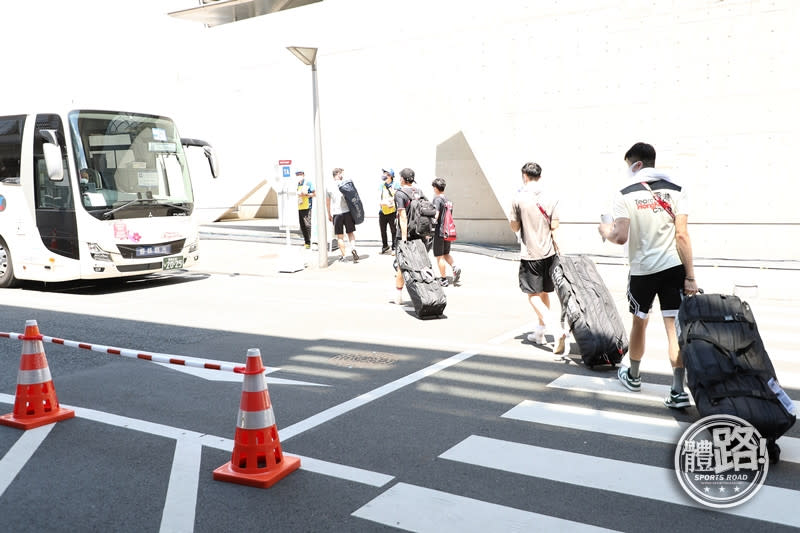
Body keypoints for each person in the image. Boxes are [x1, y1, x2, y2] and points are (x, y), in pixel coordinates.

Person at [598, 142, 698, 409]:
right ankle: (678, 390)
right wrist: (690, 277)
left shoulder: (624, 194)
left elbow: (619, 237)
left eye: (628, 166)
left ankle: (633, 375)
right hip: (673, 268)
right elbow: (682, 235)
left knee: (639, 322)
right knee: (673, 329)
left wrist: (604, 230)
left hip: (643, 271)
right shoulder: (677, 189)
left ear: (637, 164)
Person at [508, 162, 565, 350]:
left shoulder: (518, 197)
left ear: (524, 175)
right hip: (549, 252)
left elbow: (514, 227)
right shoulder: (551, 196)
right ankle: (540, 333)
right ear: (539, 176)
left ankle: (555, 329)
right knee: (543, 293)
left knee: (532, 295)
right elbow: (555, 225)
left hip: (530, 253)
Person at [391, 167, 422, 304]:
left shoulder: (400, 193)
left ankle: (398, 297)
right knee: (419, 264)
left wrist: (404, 239)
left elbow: (402, 217)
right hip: (419, 233)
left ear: (403, 179)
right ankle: (423, 293)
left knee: (401, 265)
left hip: (405, 234)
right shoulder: (419, 191)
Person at [431, 177, 461, 286]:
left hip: (440, 231)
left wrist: (430, 228)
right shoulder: (448, 200)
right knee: (446, 253)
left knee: (439, 256)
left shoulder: (437, 199)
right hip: (448, 231)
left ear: (435, 188)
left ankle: (443, 280)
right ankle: (455, 267)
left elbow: (436, 215)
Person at [325, 167, 359, 262]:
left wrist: (329, 214)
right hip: (347, 212)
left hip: (337, 214)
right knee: (350, 233)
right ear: (338, 174)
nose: (342, 176)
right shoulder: (345, 185)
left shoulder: (329, 186)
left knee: (340, 236)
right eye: (341, 174)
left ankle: (344, 257)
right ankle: (353, 249)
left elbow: (327, 202)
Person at [378, 168, 399, 254]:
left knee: (393, 230)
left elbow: (398, 196)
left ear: (390, 176)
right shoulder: (382, 185)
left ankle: (394, 247)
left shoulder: (396, 185)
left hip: (392, 211)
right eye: (383, 173)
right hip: (382, 211)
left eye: (386, 173)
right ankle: (385, 246)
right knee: (383, 230)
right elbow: (379, 196)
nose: (384, 175)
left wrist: (391, 201)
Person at [296, 170, 316, 249]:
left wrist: (306, 194)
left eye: (300, 174)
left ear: (303, 174)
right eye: (297, 174)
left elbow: (315, 194)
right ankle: (307, 242)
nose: (298, 175)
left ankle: (312, 241)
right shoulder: (297, 184)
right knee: (302, 226)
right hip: (299, 206)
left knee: (308, 225)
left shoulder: (308, 183)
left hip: (307, 206)